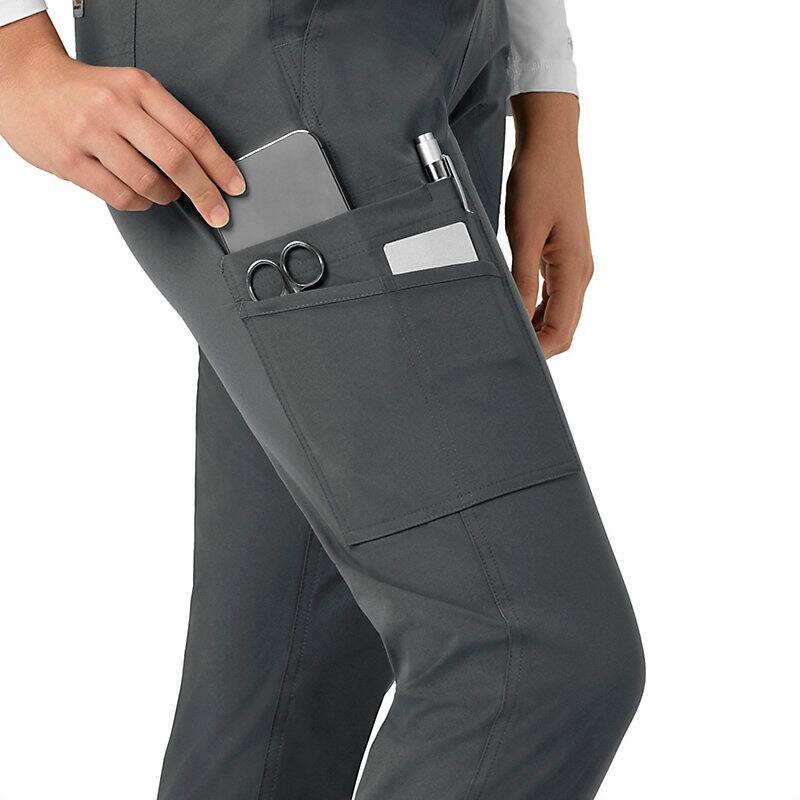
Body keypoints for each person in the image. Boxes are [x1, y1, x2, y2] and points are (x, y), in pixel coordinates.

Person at [0, 2, 645, 798]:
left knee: (285, 687)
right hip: (268, 61)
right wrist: (13, 54)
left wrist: (545, 92)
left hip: (449, 59)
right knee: (530, 659)